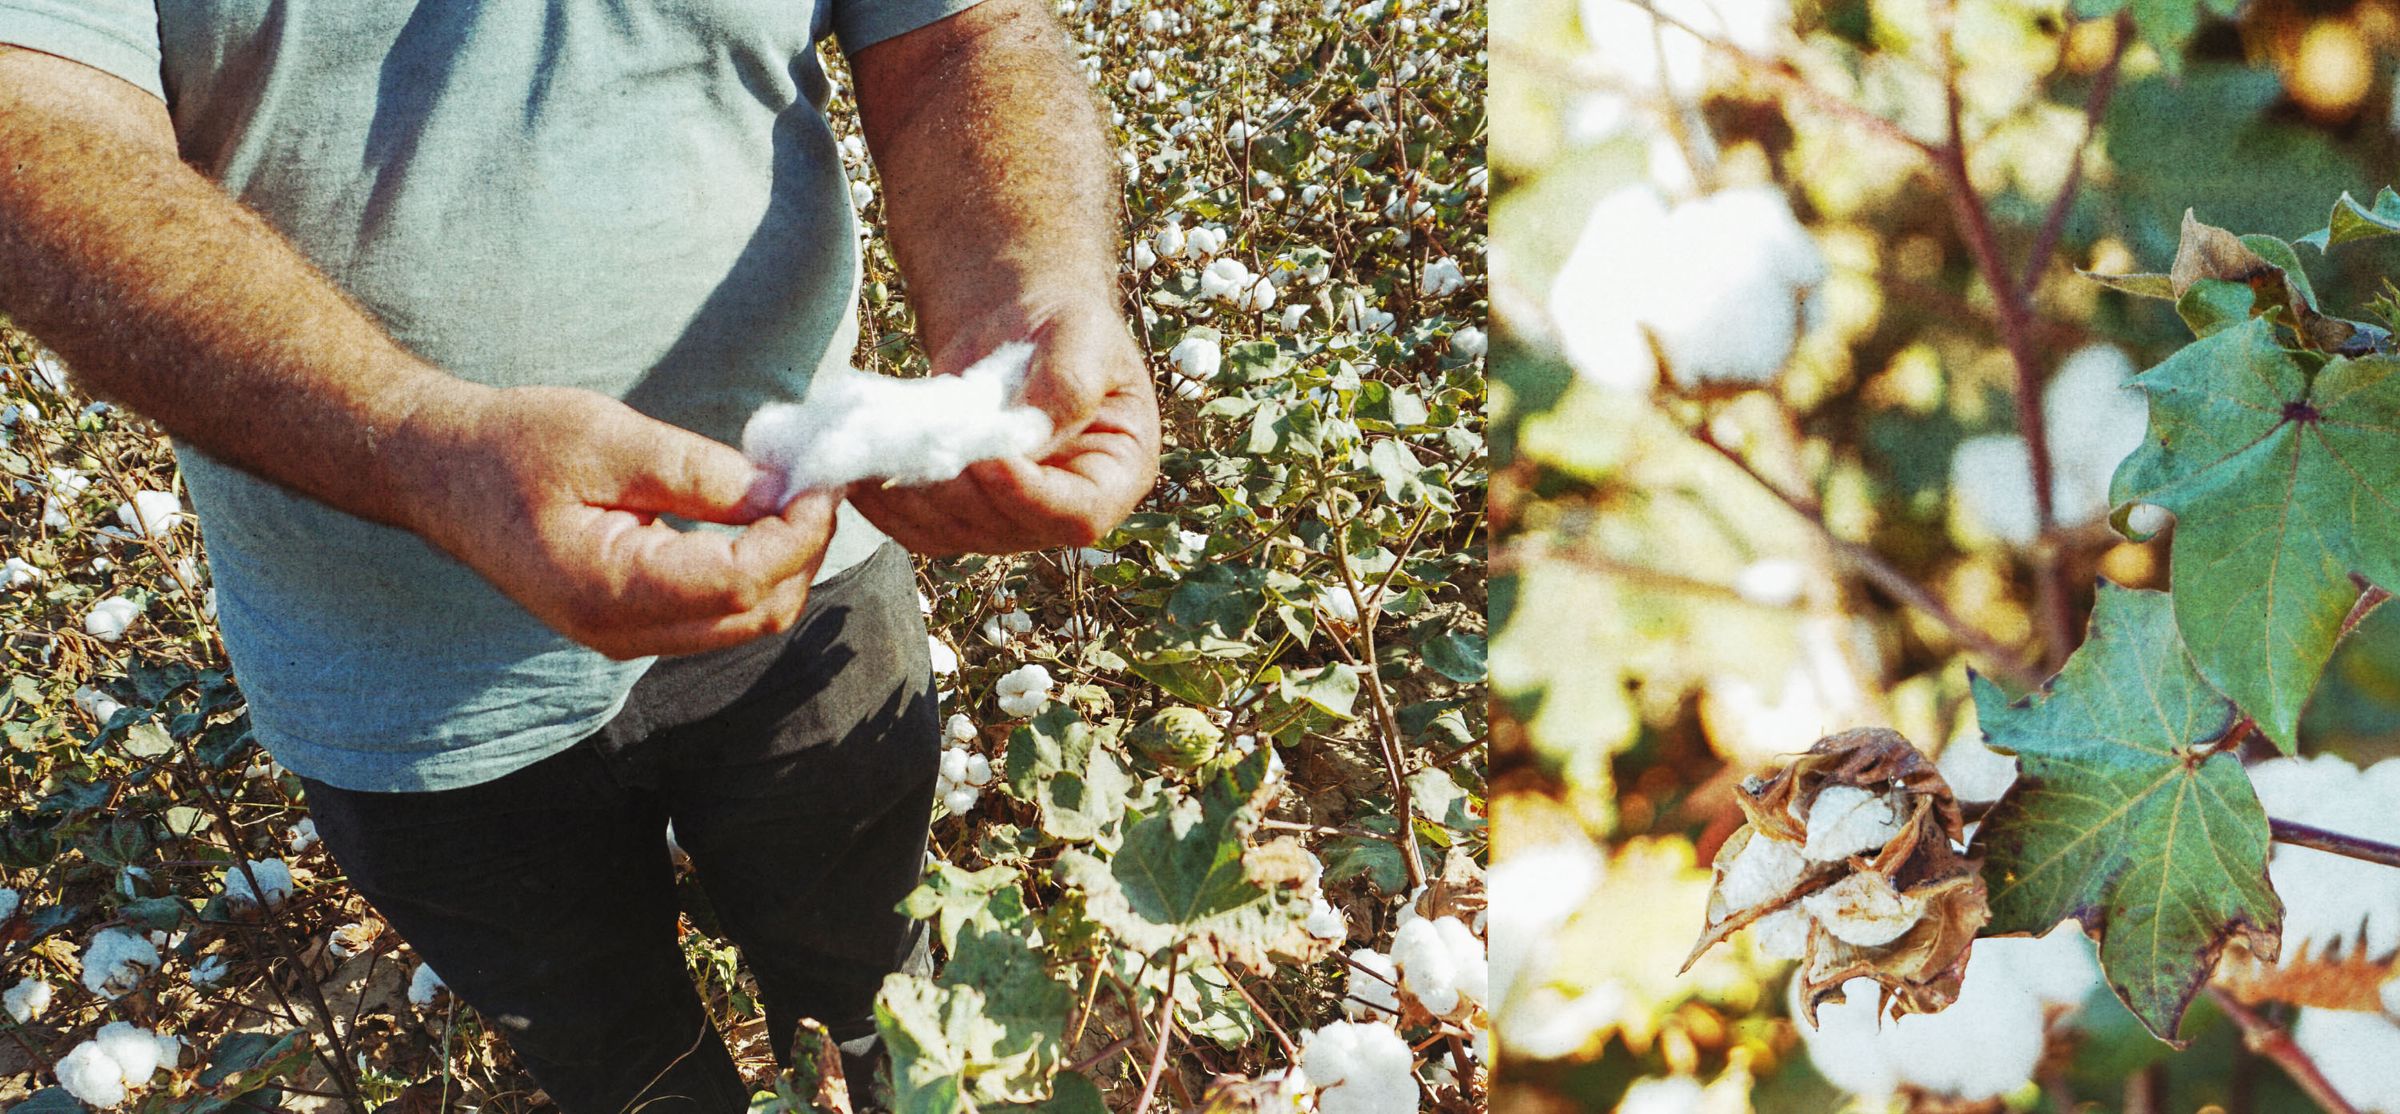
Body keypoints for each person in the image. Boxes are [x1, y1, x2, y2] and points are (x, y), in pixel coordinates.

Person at [0, 0, 1159, 1108]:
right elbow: (33, 118)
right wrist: (410, 448)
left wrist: (1029, 283)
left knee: (887, 1003)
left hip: (813, 590)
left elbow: (959, 34)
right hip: (401, 675)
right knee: (629, 1074)